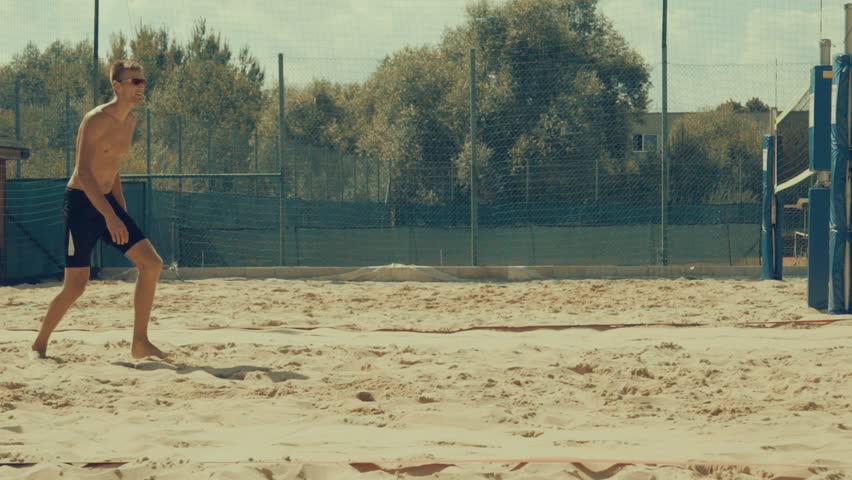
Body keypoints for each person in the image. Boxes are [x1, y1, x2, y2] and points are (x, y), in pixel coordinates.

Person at [31, 60, 166, 360]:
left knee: (151, 264)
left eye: (143, 81)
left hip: (107, 202)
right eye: (135, 81)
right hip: (81, 204)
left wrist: (120, 208)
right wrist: (110, 215)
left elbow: (113, 166)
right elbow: (84, 172)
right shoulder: (94, 120)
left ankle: (140, 343)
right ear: (117, 85)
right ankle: (39, 344)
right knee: (75, 286)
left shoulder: (130, 121)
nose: (141, 86)